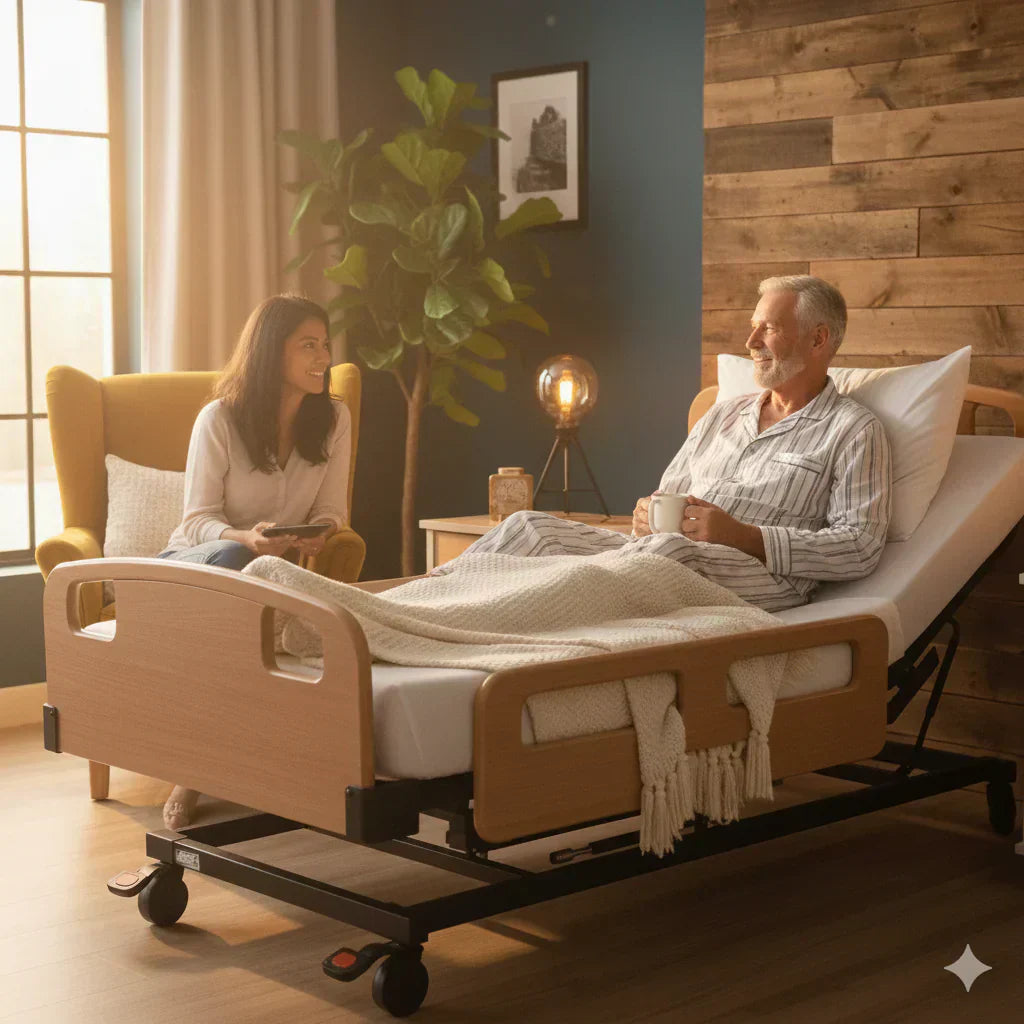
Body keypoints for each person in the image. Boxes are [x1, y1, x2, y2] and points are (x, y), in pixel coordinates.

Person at [452, 275, 892, 611]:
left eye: (769, 329)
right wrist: (645, 515)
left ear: (818, 338)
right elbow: (669, 495)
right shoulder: (723, 413)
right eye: (752, 327)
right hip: (658, 554)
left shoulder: (853, 430)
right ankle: (425, 603)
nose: (750, 342)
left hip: (758, 573)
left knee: (666, 551)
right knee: (529, 526)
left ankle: (485, 615)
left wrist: (746, 537)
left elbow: (859, 546)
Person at [158, 293, 352, 829]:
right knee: (236, 555)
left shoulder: (334, 417)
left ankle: (268, 757)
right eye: (308, 345)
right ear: (272, 350)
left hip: (270, 570)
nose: (323, 358)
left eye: (326, 345)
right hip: (203, 560)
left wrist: (320, 533)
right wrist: (245, 537)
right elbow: (196, 520)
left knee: (269, 585)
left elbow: (332, 508)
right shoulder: (219, 419)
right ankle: (191, 771)